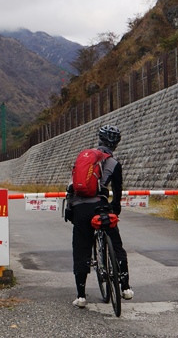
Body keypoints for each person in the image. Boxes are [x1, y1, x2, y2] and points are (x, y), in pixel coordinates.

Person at [65, 124, 133, 308]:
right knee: (116, 243)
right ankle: (125, 287)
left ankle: (81, 296)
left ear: (99, 140)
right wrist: (114, 209)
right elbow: (117, 193)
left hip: (80, 208)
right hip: (100, 207)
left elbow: (71, 186)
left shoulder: (84, 158)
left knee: (81, 249)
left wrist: (71, 211)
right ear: (116, 143)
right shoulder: (114, 163)